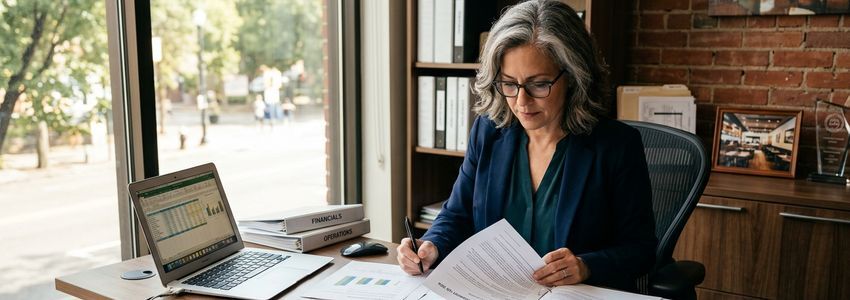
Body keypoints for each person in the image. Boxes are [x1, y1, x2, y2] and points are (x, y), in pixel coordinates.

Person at [396, 0, 657, 292]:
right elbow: (457, 214)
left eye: (538, 84)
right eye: (509, 84)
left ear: (572, 77)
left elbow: (641, 249)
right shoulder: (489, 131)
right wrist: (431, 244)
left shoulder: (617, 146)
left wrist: (586, 265)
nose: (521, 102)